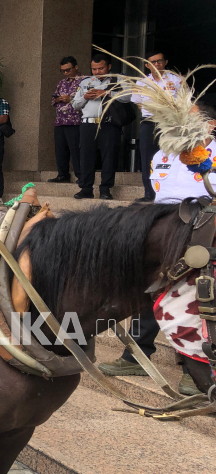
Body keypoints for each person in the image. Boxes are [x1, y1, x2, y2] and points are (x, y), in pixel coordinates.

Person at [98, 96, 216, 396]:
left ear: (210, 124)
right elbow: (159, 195)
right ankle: (135, 356)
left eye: (187, 117)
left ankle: (193, 368)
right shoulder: (165, 152)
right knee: (151, 291)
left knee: (196, 301)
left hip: (203, 234)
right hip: (162, 229)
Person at [72, 55, 130, 200]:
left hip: (108, 123)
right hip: (88, 123)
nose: (97, 72)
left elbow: (129, 97)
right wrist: (85, 97)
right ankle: (86, 188)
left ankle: (105, 189)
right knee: (86, 157)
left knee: (109, 156)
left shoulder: (118, 79)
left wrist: (107, 93)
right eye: (94, 69)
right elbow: (75, 104)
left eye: (100, 68)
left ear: (109, 67)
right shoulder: (85, 82)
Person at [132, 50, 183, 202]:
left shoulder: (177, 80)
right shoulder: (142, 82)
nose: (157, 64)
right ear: (147, 65)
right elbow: (138, 102)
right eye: (153, 62)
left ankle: (170, 192)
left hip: (170, 123)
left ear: (165, 62)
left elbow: (184, 101)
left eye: (159, 61)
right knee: (148, 157)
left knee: (170, 156)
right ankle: (149, 193)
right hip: (149, 122)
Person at [48, 56, 84, 183]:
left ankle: (81, 175)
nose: (66, 73)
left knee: (76, 149)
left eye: (68, 70)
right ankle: (62, 174)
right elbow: (53, 100)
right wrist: (57, 99)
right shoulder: (62, 82)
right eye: (63, 70)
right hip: (60, 120)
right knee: (60, 149)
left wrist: (71, 99)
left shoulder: (84, 81)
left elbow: (86, 99)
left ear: (76, 67)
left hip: (75, 120)